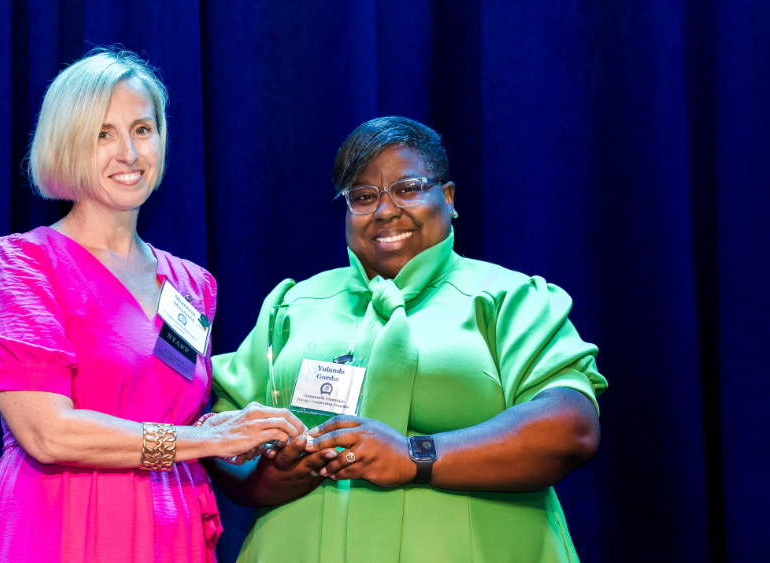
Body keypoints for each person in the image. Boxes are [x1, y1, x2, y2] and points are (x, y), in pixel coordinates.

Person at [207, 116, 608, 562]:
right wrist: (272, 477)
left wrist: (416, 454)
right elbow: (218, 440)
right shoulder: (293, 304)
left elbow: (571, 428)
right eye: (363, 196)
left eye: (408, 188)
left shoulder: (510, 299)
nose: (385, 210)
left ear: (449, 198)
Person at [0, 48, 304, 563]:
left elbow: (172, 414)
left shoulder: (193, 285)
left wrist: (227, 429)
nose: (128, 152)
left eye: (143, 129)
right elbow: (47, 433)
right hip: (61, 526)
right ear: (67, 144)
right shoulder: (25, 264)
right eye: (103, 134)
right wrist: (200, 443)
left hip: (170, 529)